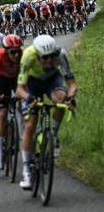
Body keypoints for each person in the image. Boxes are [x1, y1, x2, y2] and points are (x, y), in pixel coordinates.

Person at [16, 35, 77, 189]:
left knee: (61, 99)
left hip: (52, 80)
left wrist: (70, 97)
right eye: (45, 58)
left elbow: (71, 83)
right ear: (37, 55)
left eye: (52, 56)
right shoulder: (28, 56)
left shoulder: (61, 54)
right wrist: (29, 98)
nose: (49, 61)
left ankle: (54, 136)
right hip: (32, 83)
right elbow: (19, 89)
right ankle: (27, 171)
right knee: (30, 126)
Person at [0, 34, 23, 170]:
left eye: (18, 51)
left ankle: (21, 135)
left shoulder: (22, 55)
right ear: (5, 50)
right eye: (12, 52)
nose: (16, 55)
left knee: (24, 104)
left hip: (17, 80)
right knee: (2, 113)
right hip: (1, 81)